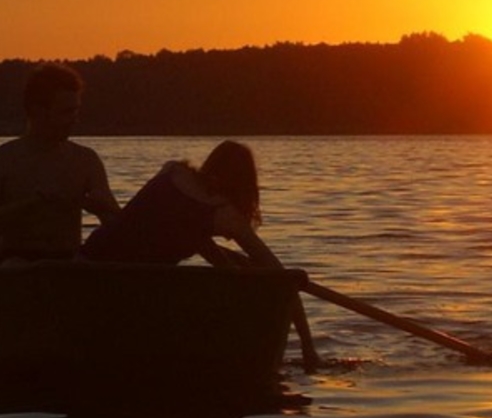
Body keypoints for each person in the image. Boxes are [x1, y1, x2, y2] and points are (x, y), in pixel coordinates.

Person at [81, 140, 321, 371]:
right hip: (131, 286)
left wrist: (229, 266)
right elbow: (285, 280)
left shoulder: (173, 170)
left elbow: (177, 230)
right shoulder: (225, 215)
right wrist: (307, 347)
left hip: (88, 260)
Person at [0, 63, 120, 262]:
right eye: (66, 112)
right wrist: (25, 210)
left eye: (76, 111)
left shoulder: (86, 160)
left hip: (70, 263)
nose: (75, 120)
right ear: (37, 110)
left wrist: (95, 206)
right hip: (14, 265)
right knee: (13, 265)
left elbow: (117, 225)